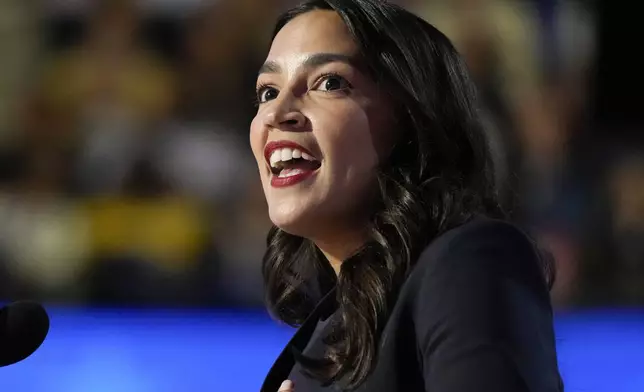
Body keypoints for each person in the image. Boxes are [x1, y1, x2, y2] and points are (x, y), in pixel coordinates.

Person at [248, 1, 563, 391]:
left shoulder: (468, 261)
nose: (277, 113)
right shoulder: (326, 332)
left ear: (413, 121)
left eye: (329, 83)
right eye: (267, 91)